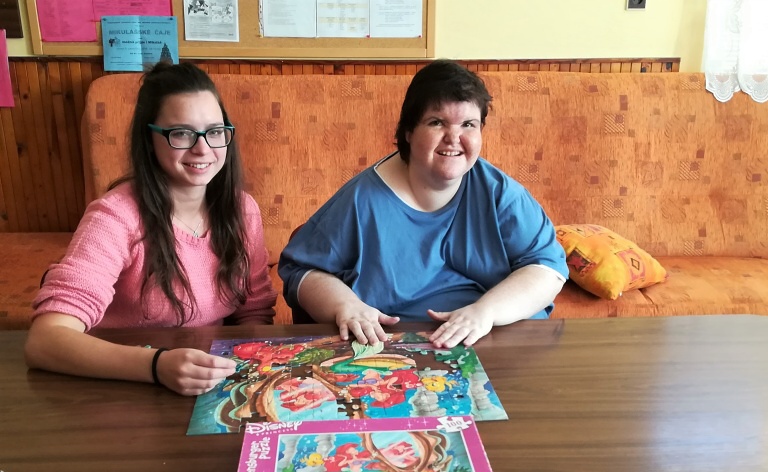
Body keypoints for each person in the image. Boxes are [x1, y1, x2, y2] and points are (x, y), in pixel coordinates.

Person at [24, 62, 277, 396]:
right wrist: (158, 366)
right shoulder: (116, 215)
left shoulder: (242, 209)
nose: (203, 148)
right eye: (182, 133)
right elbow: (44, 341)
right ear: (149, 139)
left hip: (207, 385)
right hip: (119, 387)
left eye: (215, 131)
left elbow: (254, 312)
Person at [278, 59, 567, 349]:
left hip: (491, 339)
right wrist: (346, 306)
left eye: (468, 124)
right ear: (408, 131)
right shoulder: (360, 200)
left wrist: (485, 312)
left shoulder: (500, 192)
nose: (454, 138)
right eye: (437, 122)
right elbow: (301, 272)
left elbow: (548, 269)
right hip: (395, 348)